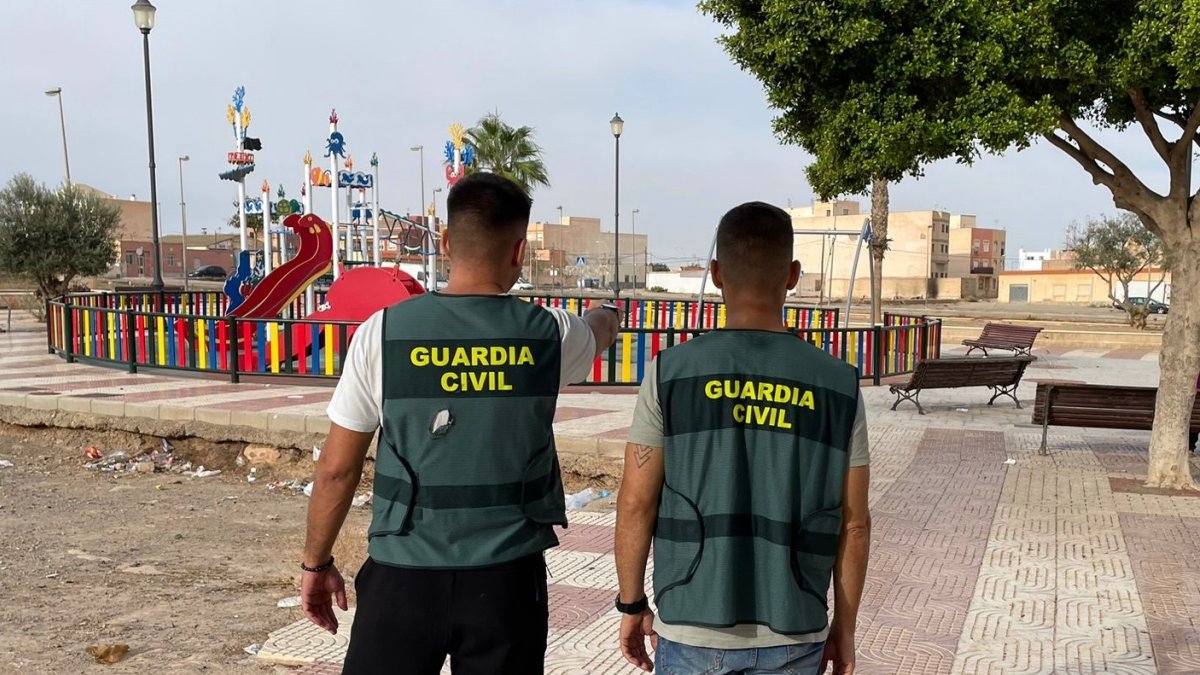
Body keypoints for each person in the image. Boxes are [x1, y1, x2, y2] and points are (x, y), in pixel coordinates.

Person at [299, 172, 621, 674]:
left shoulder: (381, 333)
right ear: (519, 251)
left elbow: (337, 470)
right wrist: (609, 311)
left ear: (446, 242)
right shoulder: (549, 334)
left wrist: (316, 564)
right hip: (507, 581)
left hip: (402, 575)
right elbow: (599, 329)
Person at [614, 202, 872, 675]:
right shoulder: (838, 385)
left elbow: (635, 503)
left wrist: (631, 604)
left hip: (691, 624)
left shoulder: (670, 373)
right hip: (796, 627)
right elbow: (855, 524)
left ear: (716, 274)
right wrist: (846, 627)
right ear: (792, 275)